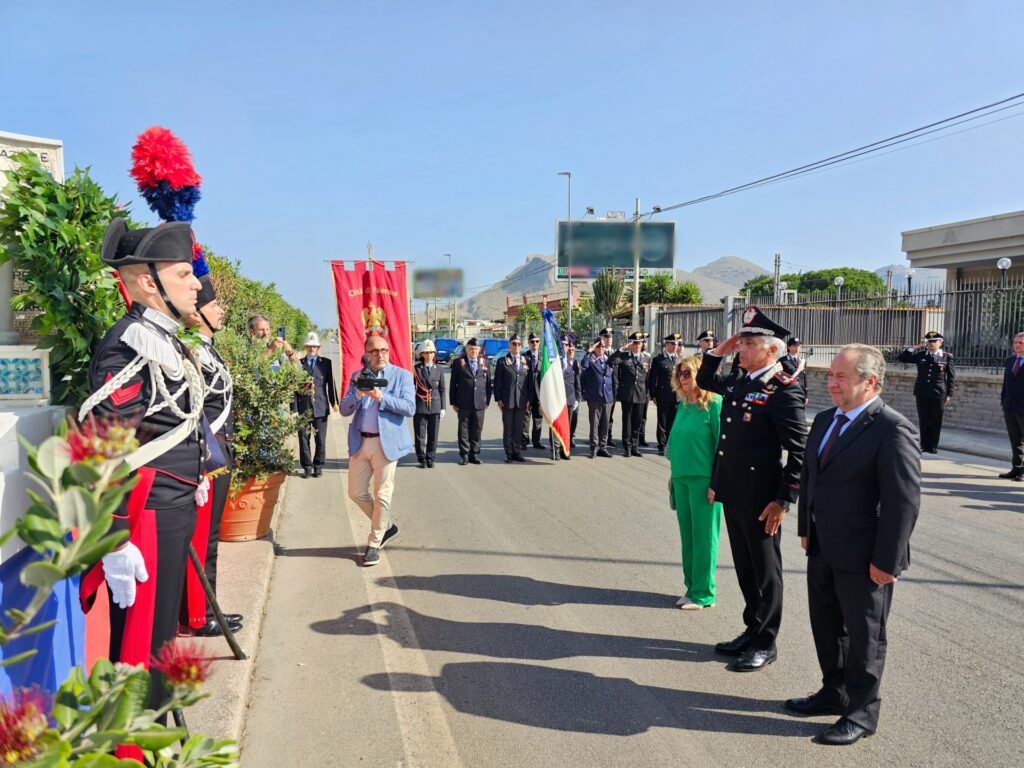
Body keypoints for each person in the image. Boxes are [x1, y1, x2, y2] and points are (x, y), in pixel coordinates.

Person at [77, 217, 205, 710]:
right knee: (140, 647)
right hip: (145, 518)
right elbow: (104, 445)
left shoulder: (162, 337)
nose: (196, 284)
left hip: (169, 507)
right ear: (149, 283)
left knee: (159, 641)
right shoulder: (129, 342)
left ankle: (152, 732)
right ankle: (133, 741)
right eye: (183, 274)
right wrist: (115, 538)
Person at [785, 344, 920, 746]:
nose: (831, 383)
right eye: (830, 375)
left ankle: (861, 713)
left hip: (866, 556)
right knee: (827, 627)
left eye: (841, 377)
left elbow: (902, 502)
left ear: (871, 382)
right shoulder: (827, 419)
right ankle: (835, 692)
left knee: (865, 637)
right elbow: (811, 476)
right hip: (823, 546)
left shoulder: (892, 429)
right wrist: (806, 528)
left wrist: (887, 561)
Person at [697, 306, 808, 672]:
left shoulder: (782, 391)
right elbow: (705, 380)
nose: (740, 349)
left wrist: (783, 500)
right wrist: (719, 350)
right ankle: (751, 629)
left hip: (762, 498)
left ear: (771, 349)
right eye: (740, 342)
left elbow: (800, 452)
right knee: (745, 568)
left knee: (765, 572)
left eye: (748, 343)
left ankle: (766, 641)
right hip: (733, 491)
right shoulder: (741, 380)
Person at [182, 270, 243, 637]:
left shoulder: (206, 348)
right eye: (215, 305)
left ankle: (208, 607)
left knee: (211, 535)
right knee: (204, 536)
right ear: (197, 312)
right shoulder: (191, 350)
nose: (221, 311)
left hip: (221, 447)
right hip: (209, 452)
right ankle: (200, 614)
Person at [339, 335, 415, 566]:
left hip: (386, 443)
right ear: (366, 354)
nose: (380, 354)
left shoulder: (402, 376)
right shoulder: (357, 376)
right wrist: (357, 394)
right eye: (374, 351)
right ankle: (386, 526)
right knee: (356, 492)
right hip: (361, 442)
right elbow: (344, 409)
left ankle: (374, 542)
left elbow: (409, 408)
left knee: (383, 494)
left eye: (384, 350)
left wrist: (382, 397)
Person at [666, 355, 723, 610]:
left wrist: (718, 482)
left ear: (700, 374)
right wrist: (673, 475)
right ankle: (691, 588)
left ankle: (704, 593)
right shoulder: (684, 404)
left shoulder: (714, 404)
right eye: (680, 373)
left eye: (688, 373)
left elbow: (723, 448)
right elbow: (678, 443)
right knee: (688, 538)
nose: (683, 378)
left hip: (704, 481)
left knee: (704, 539)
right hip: (681, 478)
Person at [897, 331, 955, 453]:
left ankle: (933, 446)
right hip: (922, 392)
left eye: (935, 341)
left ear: (940, 342)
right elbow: (902, 358)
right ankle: (923, 444)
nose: (932, 343)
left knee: (936, 420)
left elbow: (951, 377)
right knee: (923, 419)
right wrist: (916, 347)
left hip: (938, 392)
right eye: (930, 341)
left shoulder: (946, 357)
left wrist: (949, 394)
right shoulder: (921, 355)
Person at [296, 331, 339, 478]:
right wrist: (293, 408)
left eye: (314, 346)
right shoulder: (298, 364)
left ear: (318, 347)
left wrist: (334, 402)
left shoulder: (326, 363)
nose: (311, 348)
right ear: (305, 347)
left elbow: (330, 384)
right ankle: (307, 467)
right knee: (304, 439)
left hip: (321, 406)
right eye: (309, 346)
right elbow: (293, 388)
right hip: (303, 407)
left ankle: (318, 466)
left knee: (320, 439)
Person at [449, 337, 491, 465]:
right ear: (467, 349)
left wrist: (487, 401)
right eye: (471, 348)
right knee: (464, 430)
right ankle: (464, 455)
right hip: (463, 402)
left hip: (480, 403)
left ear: (479, 350)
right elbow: (453, 383)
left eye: (476, 349)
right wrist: (453, 402)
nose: (474, 351)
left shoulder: (485, 362)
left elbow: (488, 384)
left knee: (477, 429)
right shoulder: (458, 363)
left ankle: (474, 454)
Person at [493, 334, 532, 463]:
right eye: (514, 344)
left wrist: (529, 398)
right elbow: (497, 382)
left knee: (519, 428)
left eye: (518, 344)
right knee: (508, 428)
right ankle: (508, 453)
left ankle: (517, 452)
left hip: (521, 401)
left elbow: (529, 383)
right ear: (509, 345)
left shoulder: (526, 361)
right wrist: (498, 399)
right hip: (507, 400)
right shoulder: (502, 361)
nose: (516, 346)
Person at [610, 331, 650, 457]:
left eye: (639, 343)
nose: (637, 345)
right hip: (627, 394)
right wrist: (621, 349)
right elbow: (611, 361)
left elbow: (648, 378)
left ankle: (635, 447)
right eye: (635, 343)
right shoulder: (624, 356)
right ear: (631, 344)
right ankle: (627, 446)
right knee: (627, 421)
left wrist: (648, 393)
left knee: (637, 422)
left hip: (641, 394)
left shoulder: (646, 357)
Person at [412, 339, 446, 468]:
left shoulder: (439, 369)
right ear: (422, 354)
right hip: (420, 405)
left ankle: (430, 457)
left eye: (431, 352)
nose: (429, 355)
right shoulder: (416, 369)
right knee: (420, 434)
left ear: (434, 354)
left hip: (435, 405)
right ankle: (421, 458)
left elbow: (442, 389)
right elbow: (411, 387)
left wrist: (443, 407)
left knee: (433, 434)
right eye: (426, 352)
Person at [648, 333, 683, 455]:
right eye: (673, 343)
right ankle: (662, 445)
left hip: (677, 396)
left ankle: (670, 444)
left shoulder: (680, 359)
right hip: (663, 395)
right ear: (666, 344)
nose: (675, 346)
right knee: (662, 422)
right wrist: (653, 395)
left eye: (677, 343)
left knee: (673, 422)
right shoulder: (659, 360)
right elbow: (653, 378)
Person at [580, 336, 615, 458]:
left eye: (603, 346)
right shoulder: (590, 360)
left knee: (605, 423)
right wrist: (589, 351)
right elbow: (584, 365)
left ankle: (603, 447)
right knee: (594, 424)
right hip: (595, 397)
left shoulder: (608, 360)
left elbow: (612, 379)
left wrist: (613, 395)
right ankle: (594, 448)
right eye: (598, 346)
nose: (601, 349)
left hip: (607, 396)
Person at [998, 331, 1024, 481]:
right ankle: (1016, 468)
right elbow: (1006, 383)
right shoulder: (1011, 360)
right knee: (1015, 441)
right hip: (1010, 407)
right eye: (1015, 342)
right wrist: (1004, 401)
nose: (1017, 345)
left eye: (1021, 343)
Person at [522, 332, 545, 449]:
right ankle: (524, 441)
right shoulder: (524, 357)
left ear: (539, 342)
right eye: (532, 341)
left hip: (540, 394)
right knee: (525, 419)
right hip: (527, 393)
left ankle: (536, 441)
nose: (535, 343)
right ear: (529, 343)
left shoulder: (543, 357)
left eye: (537, 341)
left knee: (538, 419)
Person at [562, 333, 582, 453]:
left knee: (572, 420)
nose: (571, 351)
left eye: (572, 350)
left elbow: (578, 382)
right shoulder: (559, 362)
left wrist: (578, 398)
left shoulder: (575, 363)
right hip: (562, 397)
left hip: (572, 396)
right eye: (569, 349)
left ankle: (569, 440)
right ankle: (559, 445)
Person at [600, 327, 617, 447]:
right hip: (601, 389)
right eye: (606, 337)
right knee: (600, 415)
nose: (608, 339)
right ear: (602, 338)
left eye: (610, 337)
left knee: (609, 415)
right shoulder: (599, 352)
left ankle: (608, 436)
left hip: (613, 389)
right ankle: (598, 437)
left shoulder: (616, 353)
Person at [779, 337, 809, 404]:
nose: (797, 348)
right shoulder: (782, 361)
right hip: (788, 392)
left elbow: (804, 378)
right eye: (794, 346)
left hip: (800, 392)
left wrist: (806, 395)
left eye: (798, 346)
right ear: (789, 347)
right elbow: (779, 378)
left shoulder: (802, 361)